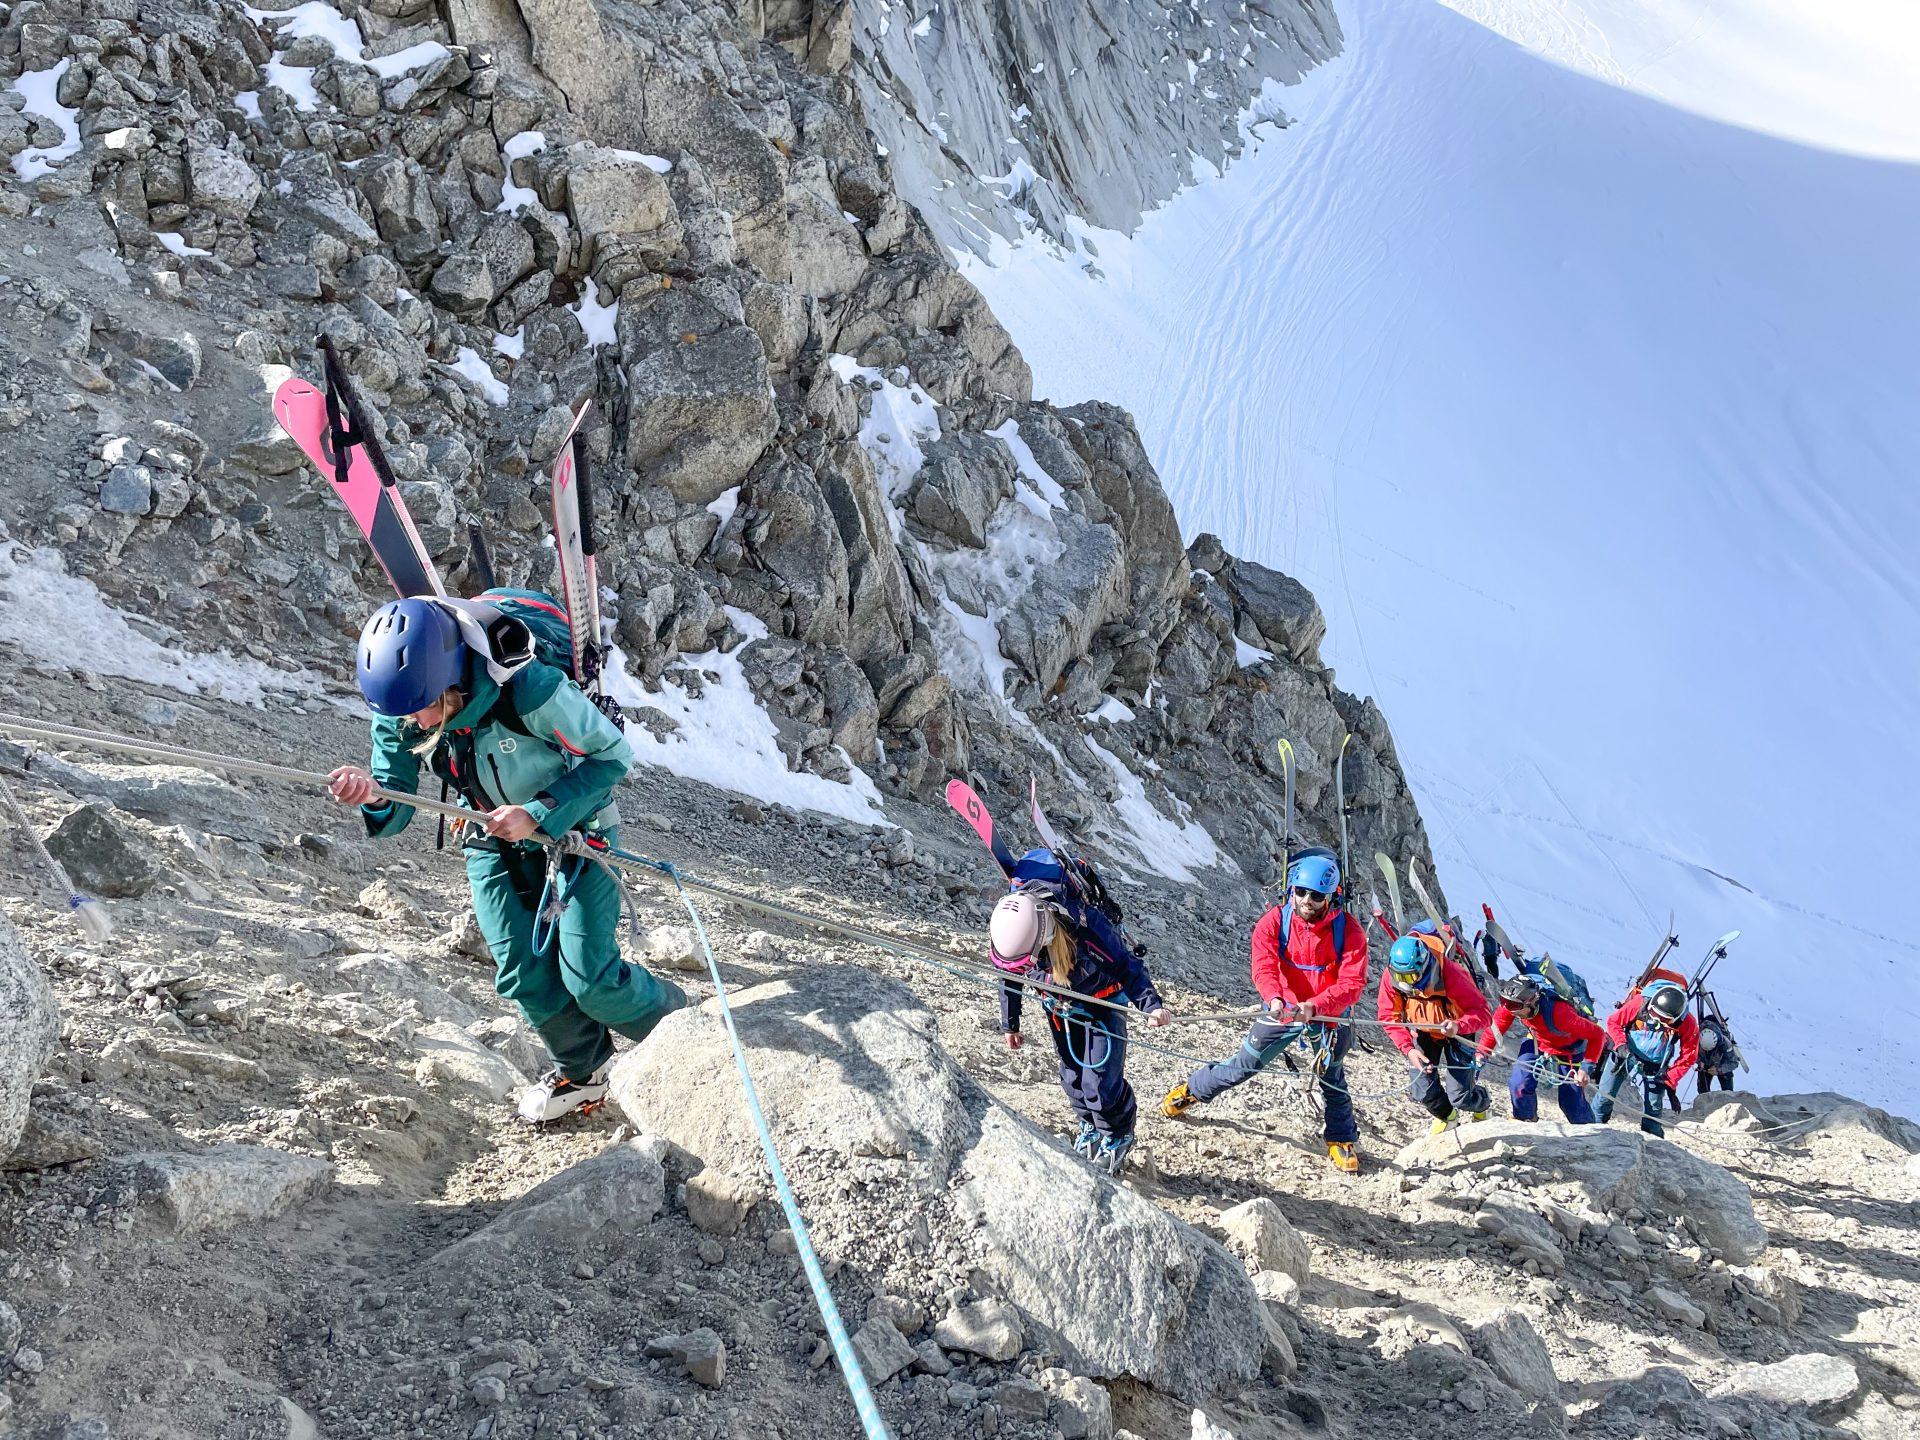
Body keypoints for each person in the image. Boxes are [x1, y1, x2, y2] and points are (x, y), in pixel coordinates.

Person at [328, 598, 687, 1124]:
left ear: (451, 684)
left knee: (590, 977)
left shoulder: (529, 688)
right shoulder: (403, 704)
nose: (409, 723)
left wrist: (539, 812)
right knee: (522, 972)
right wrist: (372, 794)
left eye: (419, 711)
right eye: (398, 714)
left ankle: (690, 1034)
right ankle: (583, 1070)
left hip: (577, 832)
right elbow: (396, 800)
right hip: (486, 833)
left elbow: (612, 757)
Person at [1162, 849, 1371, 1173]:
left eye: (1316, 895)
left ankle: (1341, 1138)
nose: (1306, 900)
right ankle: (1193, 1090)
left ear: (1331, 896)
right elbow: (1263, 966)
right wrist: (1274, 997)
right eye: (1300, 892)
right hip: (1283, 1008)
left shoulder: (1351, 932)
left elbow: (1352, 983)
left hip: (1328, 1015)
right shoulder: (1274, 921)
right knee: (1243, 1066)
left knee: (1331, 1076)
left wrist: (1316, 1006)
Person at [990, 857, 1172, 1174]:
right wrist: (1011, 1023)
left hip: (1104, 1003)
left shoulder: (1088, 929)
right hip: (1059, 1005)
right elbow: (1010, 976)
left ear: (1044, 940)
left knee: (1100, 1083)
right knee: (1072, 1076)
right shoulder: (1014, 933)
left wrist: (1151, 1005)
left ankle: (1118, 1135)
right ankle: (1089, 1124)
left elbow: (1127, 967)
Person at [1377, 932, 1492, 1135]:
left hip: (1458, 1032)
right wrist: (1409, 1049)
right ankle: (1448, 1117)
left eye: (1411, 977)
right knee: (1422, 1088)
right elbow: (1388, 1015)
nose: (1405, 984)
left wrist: (1458, 1025)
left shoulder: (1452, 974)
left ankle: (1481, 1105)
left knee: (1460, 1096)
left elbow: (1483, 1013)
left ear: (1424, 965)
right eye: (1399, 977)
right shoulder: (1392, 975)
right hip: (1422, 1031)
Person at [1475, 975, 1605, 1124]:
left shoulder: (1561, 1013)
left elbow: (1597, 1035)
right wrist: (1481, 1053)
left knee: (1571, 1103)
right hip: (1537, 1041)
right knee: (1519, 1083)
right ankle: (1525, 1120)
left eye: (1513, 1005)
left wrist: (1585, 1068)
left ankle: (1590, 1134)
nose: (1506, 1008)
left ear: (1530, 1002)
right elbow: (1496, 1027)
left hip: (1569, 1051)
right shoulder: (1512, 1004)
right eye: (1503, 1001)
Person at [1597, 980, 1699, 1136]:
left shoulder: (1687, 1022)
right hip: (1626, 1052)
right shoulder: (1640, 1002)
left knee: (1653, 1111)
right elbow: (1614, 1021)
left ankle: (1652, 1139)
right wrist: (1620, 1045)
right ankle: (1594, 1128)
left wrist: (1670, 1079)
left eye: (1663, 1020)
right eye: (1654, 1015)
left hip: (1656, 1064)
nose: (1656, 1021)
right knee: (1605, 1095)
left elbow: (1689, 1054)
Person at [1696, 1000, 1741, 1093]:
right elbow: (1690, 1054)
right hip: (1705, 1064)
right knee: (1702, 1091)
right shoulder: (1695, 1039)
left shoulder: (1726, 1043)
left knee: (1728, 1092)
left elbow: (1734, 1063)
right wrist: (1699, 1062)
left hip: (1722, 1062)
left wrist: (1719, 1070)